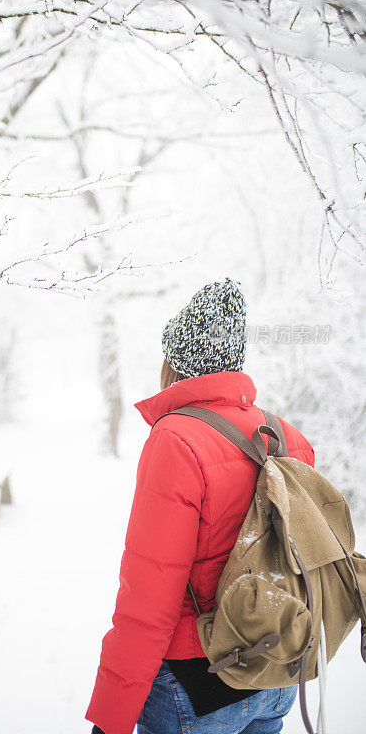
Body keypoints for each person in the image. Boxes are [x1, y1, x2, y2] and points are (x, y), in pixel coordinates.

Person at [85, 277, 315, 734]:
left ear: (177, 362)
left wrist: (111, 716)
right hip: (277, 669)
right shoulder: (287, 436)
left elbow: (150, 594)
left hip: (198, 683)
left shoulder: (176, 441)